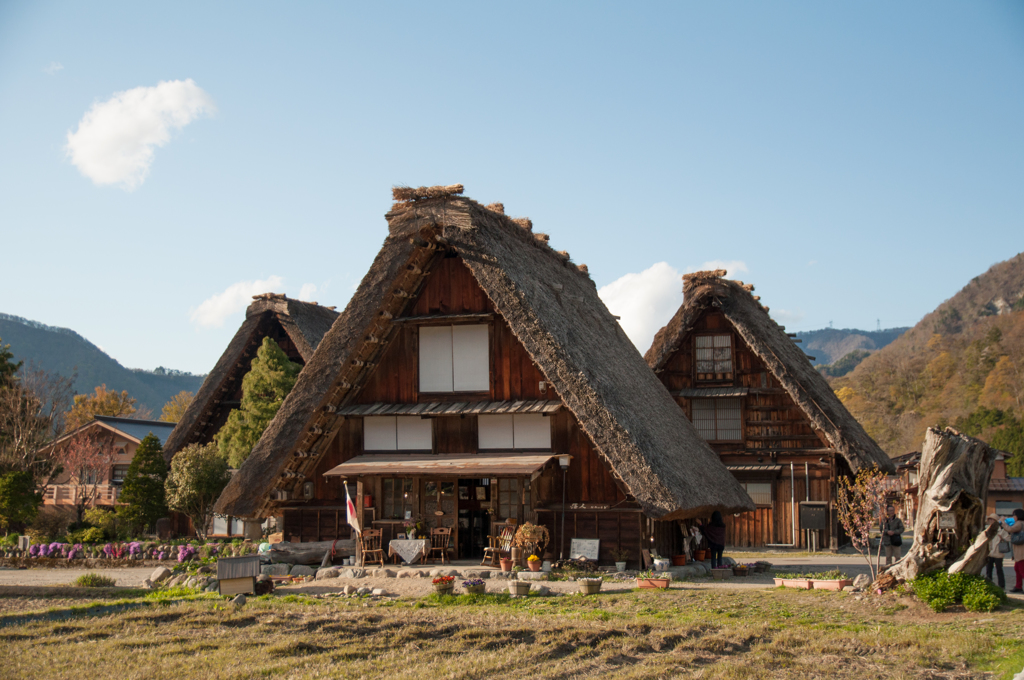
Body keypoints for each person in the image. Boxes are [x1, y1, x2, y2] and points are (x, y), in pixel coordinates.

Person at [985, 513, 1009, 590]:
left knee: (999, 570)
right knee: (988, 570)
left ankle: (1001, 585)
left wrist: (1002, 538)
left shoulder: (1002, 530)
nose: (991, 521)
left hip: (998, 553)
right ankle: (988, 584)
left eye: (993, 519)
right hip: (989, 553)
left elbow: (1008, 539)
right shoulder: (987, 529)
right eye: (990, 519)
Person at [1002, 508, 1024, 594]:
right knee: (1017, 569)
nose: (1013, 517)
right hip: (1019, 551)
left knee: (1021, 570)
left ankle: (1018, 586)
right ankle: (1018, 586)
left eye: (1014, 515)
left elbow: (1010, 529)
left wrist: (1003, 522)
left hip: (1021, 551)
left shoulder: (1019, 523)